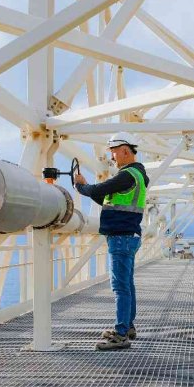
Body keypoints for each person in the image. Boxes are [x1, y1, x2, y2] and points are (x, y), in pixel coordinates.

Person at [74, 132, 149, 351]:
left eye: (113, 152)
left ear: (125, 150)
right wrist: (88, 189)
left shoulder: (127, 175)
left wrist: (81, 187)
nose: (112, 157)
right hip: (129, 235)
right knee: (127, 284)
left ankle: (121, 334)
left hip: (121, 237)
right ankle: (128, 326)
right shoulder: (138, 176)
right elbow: (106, 199)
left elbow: (98, 190)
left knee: (120, 287)